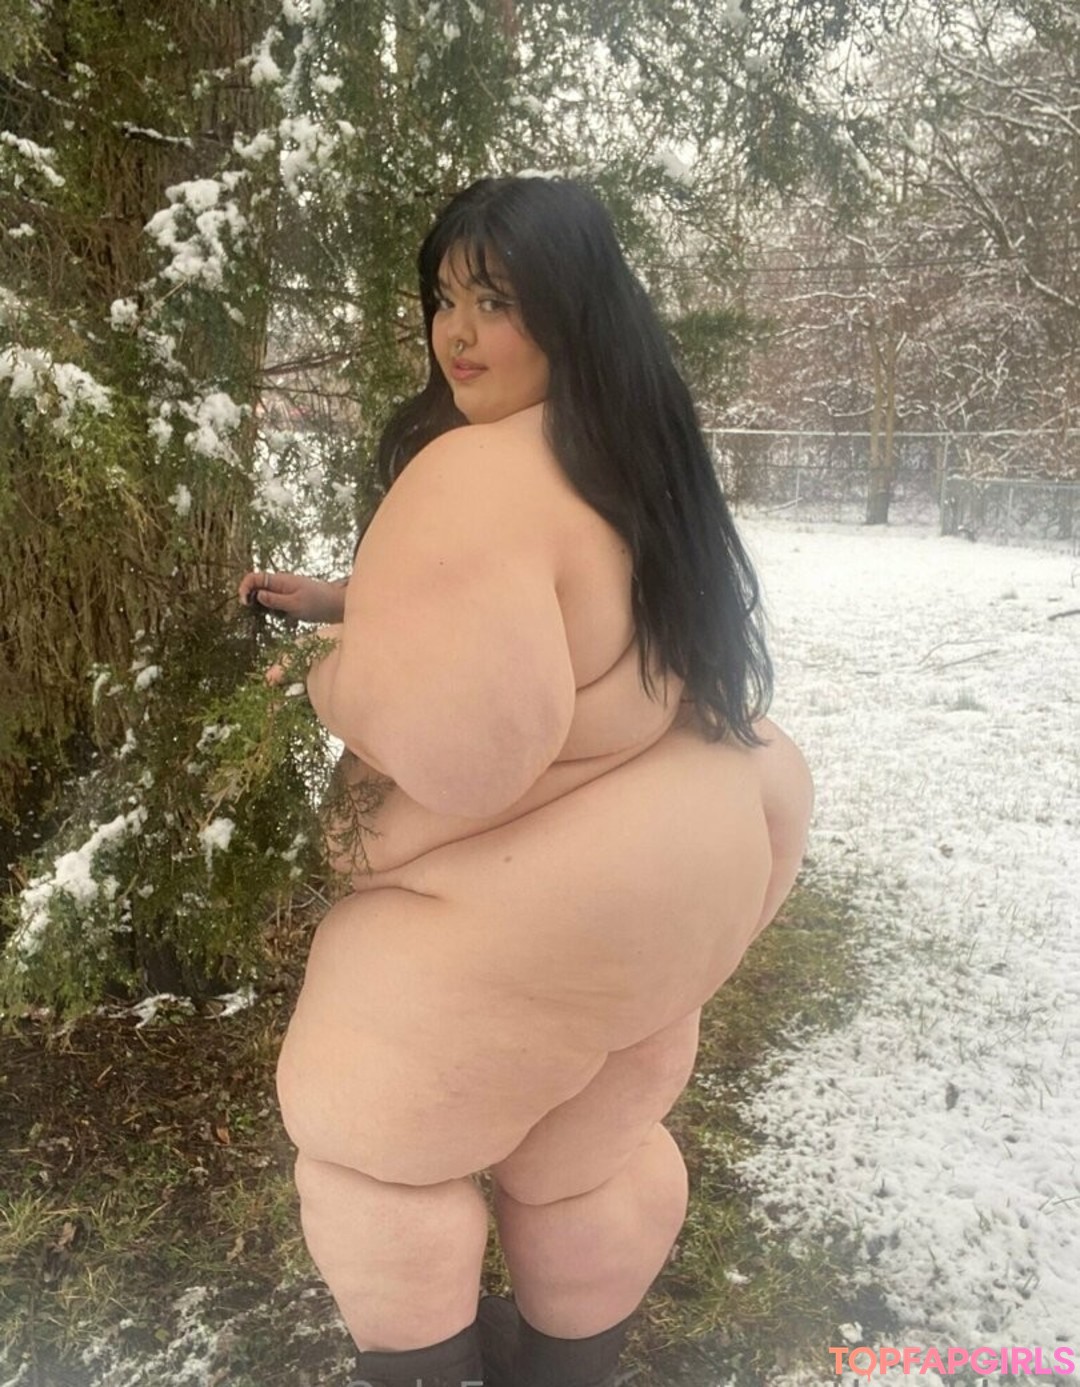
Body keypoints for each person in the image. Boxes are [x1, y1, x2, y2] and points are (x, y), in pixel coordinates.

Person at [239, 175, 812, 1387]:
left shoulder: (472, 475)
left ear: (567, 309)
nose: (456, 335)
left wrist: (331, 673)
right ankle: (570, 1364)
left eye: (494, 302)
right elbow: (569, 613)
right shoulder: (631, 456)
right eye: (443, 301)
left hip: (516, 923)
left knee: (373, 1159)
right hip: (681, 892)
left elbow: (462, 747)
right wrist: (357, 599)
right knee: (584, 1159)